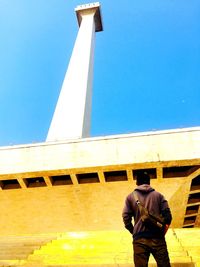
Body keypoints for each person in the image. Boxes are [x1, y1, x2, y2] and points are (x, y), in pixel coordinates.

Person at [122, 171, 172, 267]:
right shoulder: (159, 196)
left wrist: (134, 232)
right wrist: (162, 232)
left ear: (137, 182)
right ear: (149, 182)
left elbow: (125, 217)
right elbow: (168, 217)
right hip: (158, 238)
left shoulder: (130, 197)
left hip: (139, 240)